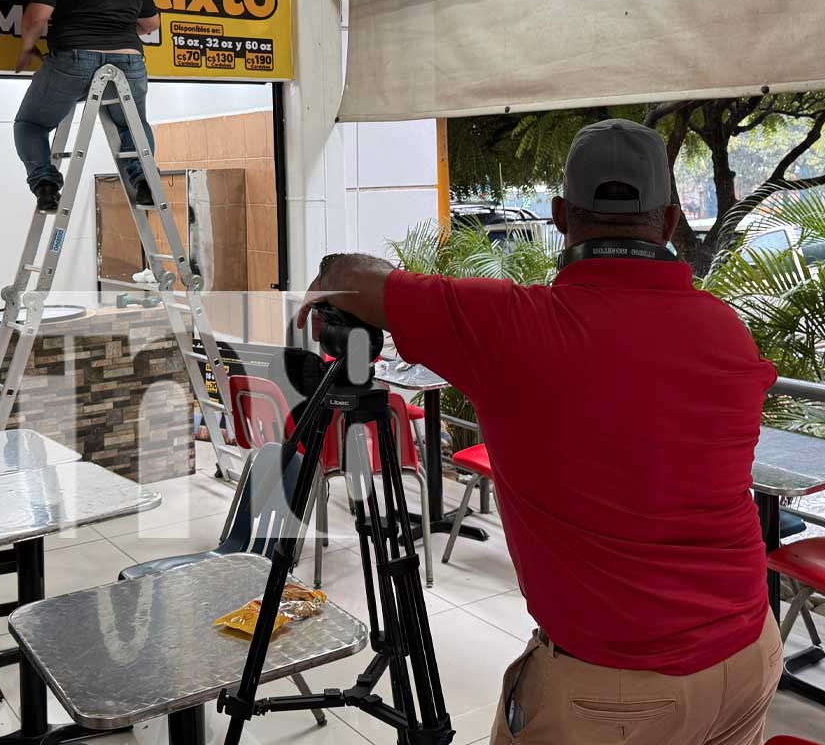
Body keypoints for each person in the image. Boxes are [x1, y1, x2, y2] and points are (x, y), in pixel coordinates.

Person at [298, 119, 781, 745]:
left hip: (613, 690)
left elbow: (351, 273)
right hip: (747, 655)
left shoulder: (510, 326)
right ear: (668, 224)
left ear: (558, 215)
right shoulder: (727, 331)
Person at [13, 0, 162, 212]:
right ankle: (145, 182)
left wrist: (27, 48)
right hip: (129, 62)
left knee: (30, 123)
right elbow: (151, 23)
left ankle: (46, 185)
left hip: (74, 59)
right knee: (131, 124)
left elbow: (36, 17)